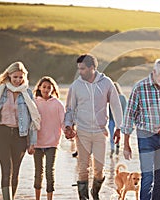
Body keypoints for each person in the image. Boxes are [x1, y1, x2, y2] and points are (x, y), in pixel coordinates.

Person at [121, 58, 160, 200]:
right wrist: (126, 144)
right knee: (147, 176)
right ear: (154, 72)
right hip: (145, 137)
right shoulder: (139, 87)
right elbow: (129, 115)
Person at [64, 53, 123, 200]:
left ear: (92, 68)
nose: (80, 71)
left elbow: (116, 105)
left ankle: (95, 192)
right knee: (83, 168)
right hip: (82, 131)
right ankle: (83, 198)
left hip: (100, 132)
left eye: (83, 68)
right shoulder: (76, 86)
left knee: (99, 170)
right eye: (79, 68)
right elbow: (70, 109)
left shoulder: (106, 83)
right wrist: (67, 126)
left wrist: (119, 128)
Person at [0, 61, 40, 200]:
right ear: (9, 75)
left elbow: (32, 120)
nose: (18, 80)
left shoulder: (27, 93)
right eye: (15, 77)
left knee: (15, 171)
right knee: (6, 169)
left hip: (20, 136)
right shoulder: (1, 90)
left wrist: (32, 142)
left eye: (20, 77)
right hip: (2, 134)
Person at [33, 76, 65, 200]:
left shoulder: (58, 104)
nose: (46, 89)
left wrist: (69, 133)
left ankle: (49, 198)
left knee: (49, 172)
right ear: (39, 88)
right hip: (37, 143)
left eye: (49, 87)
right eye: (44, 87)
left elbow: (63, 122)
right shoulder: (34, 103)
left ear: (53, 89)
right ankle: (37, 198)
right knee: (38, 173)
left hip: (52, 143)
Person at [108, 82, 127, 158]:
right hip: (117, 120)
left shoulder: (117, 97)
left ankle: (113, 147)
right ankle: (116, 146)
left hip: (113, 120)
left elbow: (110, 110)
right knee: (116, 134)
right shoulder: (122, 97)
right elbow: (125, 109)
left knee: (112, 135)